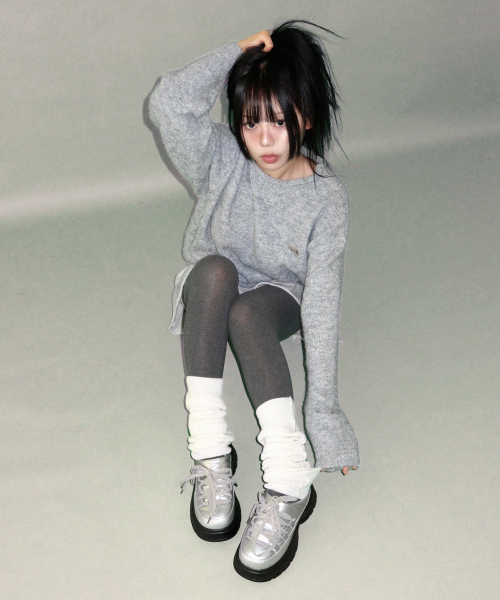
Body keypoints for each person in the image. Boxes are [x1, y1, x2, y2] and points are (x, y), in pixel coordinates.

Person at [148, 20, 360, 582]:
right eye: (250, 121)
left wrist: (325, 417)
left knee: (246, 312)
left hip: (278, 298)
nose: (263, 140)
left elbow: (321, 307)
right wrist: (234, 54)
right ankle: (210, 452)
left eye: (279, 121)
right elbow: (168, 104)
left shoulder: (326, 201)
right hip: (215, 285)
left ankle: (289, 480)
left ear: (306, 118)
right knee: (214, 270)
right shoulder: (222, 157)